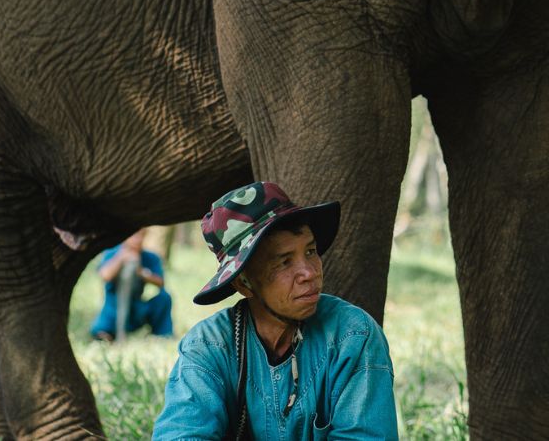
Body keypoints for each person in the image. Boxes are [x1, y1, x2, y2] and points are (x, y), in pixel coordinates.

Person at [153, 181, 398, 440]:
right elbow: (181, 433)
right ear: (244, 283)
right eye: (284, 261)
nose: (310, 272)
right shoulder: (208, 347)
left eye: (311, 251)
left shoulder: (352, 336)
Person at [90, 228, 173, 341]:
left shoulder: (150, 257)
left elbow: (160, 282)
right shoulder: (112, 252)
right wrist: (122, 257)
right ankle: (111, 335)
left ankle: (161, 335)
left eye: (140, 236)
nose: (137, 240)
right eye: (133, 236)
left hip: (137, 309)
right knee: (99, 331)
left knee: (164, 297)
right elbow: (104, 275)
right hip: (113, 310)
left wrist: (140, 272)